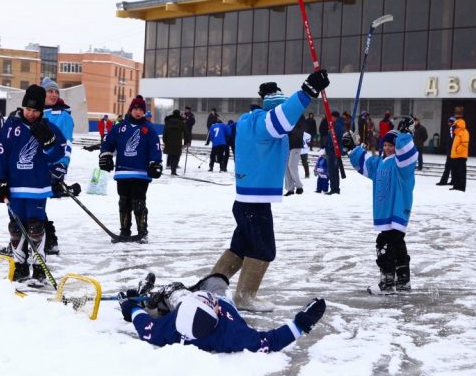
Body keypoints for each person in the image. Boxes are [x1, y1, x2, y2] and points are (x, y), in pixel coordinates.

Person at [210, 70, 330, 312]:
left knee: (240, 248)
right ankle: (244, 297)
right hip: (254, 201)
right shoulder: (265, 123)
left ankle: (210, 289)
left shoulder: (248, 121)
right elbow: (283, 118)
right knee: (264, 249)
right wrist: (308, 91)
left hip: (247, 199)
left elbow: (282, 119)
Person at [117, 273, 326, 353]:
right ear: (217, 314)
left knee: (176, 293)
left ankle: (158, 295)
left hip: (183, 305)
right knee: (217, 282)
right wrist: (302, 323)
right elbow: (271, 341)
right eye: (214, 305)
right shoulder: (232, 336)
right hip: (217, 299)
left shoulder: (170, 329)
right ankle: (160, 296)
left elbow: (145, 327)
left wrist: (130, 306)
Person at [0, 85, 67, 282]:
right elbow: (0, 155)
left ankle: (39, 266)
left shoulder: (49, 127)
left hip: (38, 187)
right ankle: (20, 265)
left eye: (35, 111)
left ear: (42, 110)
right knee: (16, 228)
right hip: (14, 187)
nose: (31, 114)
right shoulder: (10, 128)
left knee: (35, 227)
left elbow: (59, 153)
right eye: (28, 110)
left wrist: (50, 143)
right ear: (23, 107)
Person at [344, 120, 417, 294]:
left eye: (391, 145)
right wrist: (353, 147)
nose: (387, 148)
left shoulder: (402, 165)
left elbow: (407, 151)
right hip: (385, 212)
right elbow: (365, 162)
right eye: (385, 144)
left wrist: (405, 135)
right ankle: (403, 280)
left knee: (384, 244)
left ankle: (387, 282)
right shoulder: (380, 164)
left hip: (397, 211)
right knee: (397, 244)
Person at [98, 95, 163, 243]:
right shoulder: (119, 127)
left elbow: (155, 148)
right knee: (124, 202)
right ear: (131, 109)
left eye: (141, 109)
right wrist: (106, 156)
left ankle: (142, 232)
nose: (138, 112)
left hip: (141, 174)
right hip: (122, 172)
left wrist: (155, 163)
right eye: (135, 109)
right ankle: (125, 231)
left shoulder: (149, 129)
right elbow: (108, 143)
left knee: (138, 202)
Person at [41, 77, 74, 255]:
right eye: (50, 91)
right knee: (33, 204)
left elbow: (66, 144)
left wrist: (61, 167)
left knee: (38, 204)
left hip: (53, 166)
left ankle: (49, 239)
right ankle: (42, 239)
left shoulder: (63, 116)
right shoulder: (36, 113)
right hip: (35, 165)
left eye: (56, 92)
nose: (53, 94)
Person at [324, 111, 345, 195]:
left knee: (333, 170)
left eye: (331, 117)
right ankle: (334, 188)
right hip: (332, 151)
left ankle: (335, 189)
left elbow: (337, 138)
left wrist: (331, 147)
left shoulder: (337, 126)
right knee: (332, 170)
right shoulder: (334, 125)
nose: (330, 118)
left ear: (335, 117)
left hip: (334, 151)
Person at [284, 120, 305, 196]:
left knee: (292, 166)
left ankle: (299, 187)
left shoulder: (300, 119)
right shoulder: (288, 118)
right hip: (287, 146)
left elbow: (299, 132)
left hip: (296, 146)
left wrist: (288, 131)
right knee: (286, 167)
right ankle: (290, 189)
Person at [449, 118, 470, 192]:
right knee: (455, 172)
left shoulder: (464, 132)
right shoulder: (457, 133)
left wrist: (457, 151)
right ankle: (456, 185)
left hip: (461, 156)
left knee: (461, 172)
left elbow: (464, 144)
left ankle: (461, 186)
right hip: (455, 156)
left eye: (456, 125)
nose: (454, 126)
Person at [163, 109, 185, 175]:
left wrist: (164, 141)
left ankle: (170, 166)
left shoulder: (168, 122)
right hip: (178, 142)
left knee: (171, 155)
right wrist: (187, 141)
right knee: (176, 156)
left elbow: (165, 132)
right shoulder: (181, 122)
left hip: (169, 142)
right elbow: (186, 132)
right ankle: (173, 171)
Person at [436, 116, 456, 186]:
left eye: (449, 121)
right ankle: (454, 181)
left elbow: (451, 141)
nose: (448, 123)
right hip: (454, 152)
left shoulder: (452, 129)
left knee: (447, 167)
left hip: (451, 152)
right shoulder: (456, 129)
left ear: (451, 122)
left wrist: (450, 151)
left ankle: (443, 181)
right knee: (453, 167)